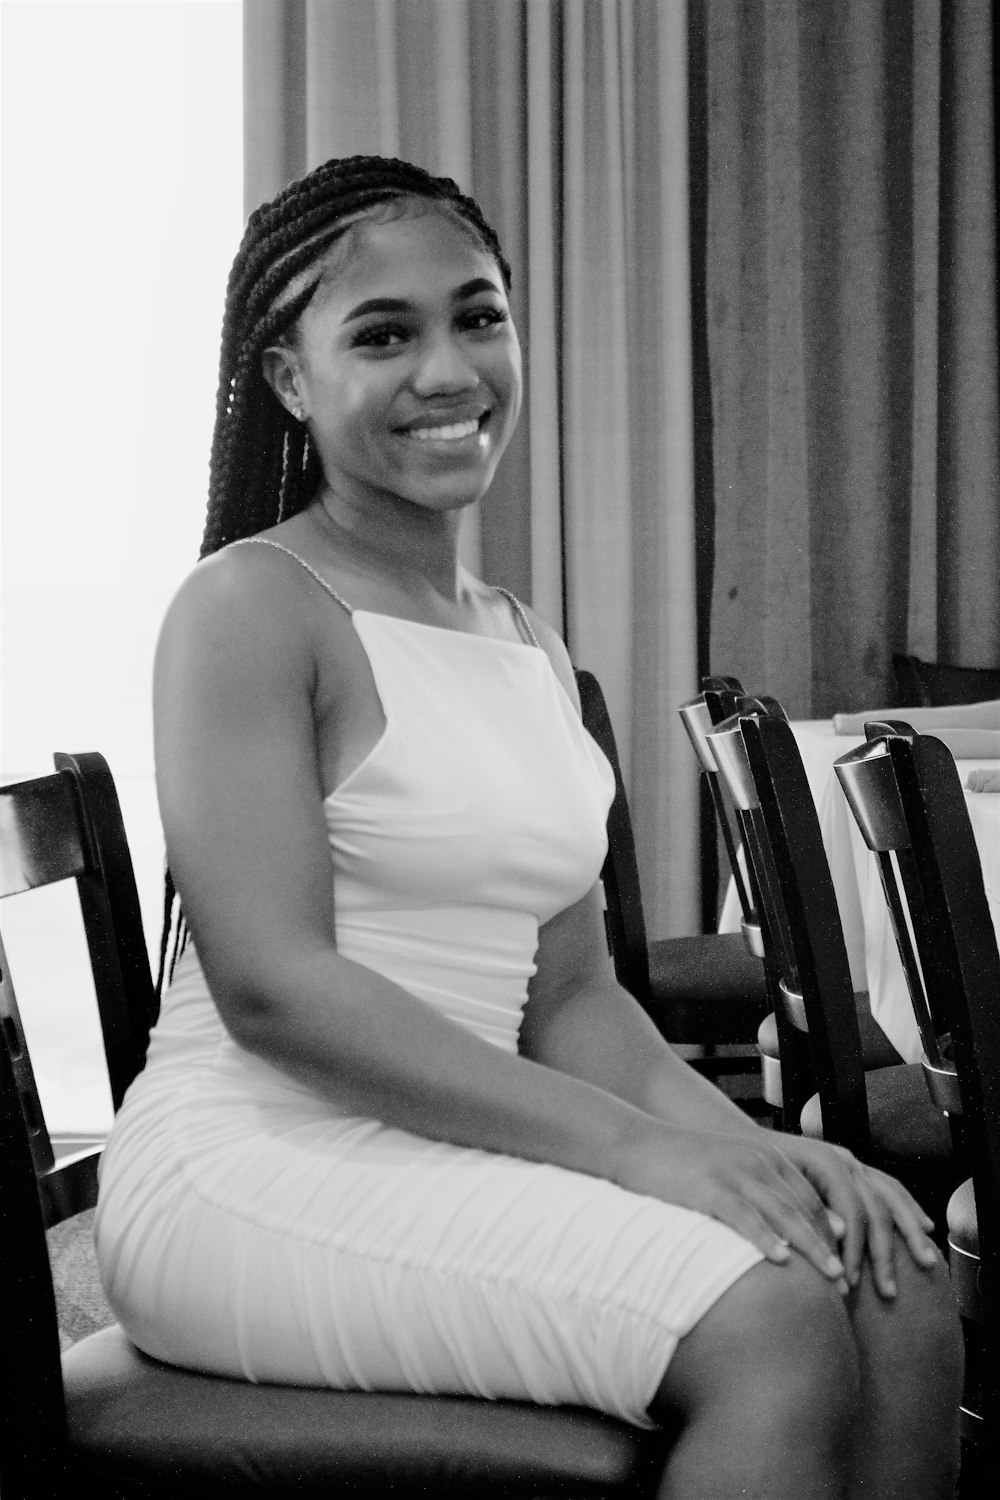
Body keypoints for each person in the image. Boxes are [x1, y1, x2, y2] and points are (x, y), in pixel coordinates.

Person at [95, 155, 962, 1497]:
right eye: (384, 334)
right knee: (773, 1318)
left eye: (478, 315)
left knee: (893, 1274)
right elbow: (276, 991)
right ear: (288, 380)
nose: (448, 370)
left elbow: (570, 995)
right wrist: (639, 1153)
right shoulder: (246, 608)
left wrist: (744, 1148)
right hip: (251, 1163)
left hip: (448, 1137)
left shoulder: (522, 642)